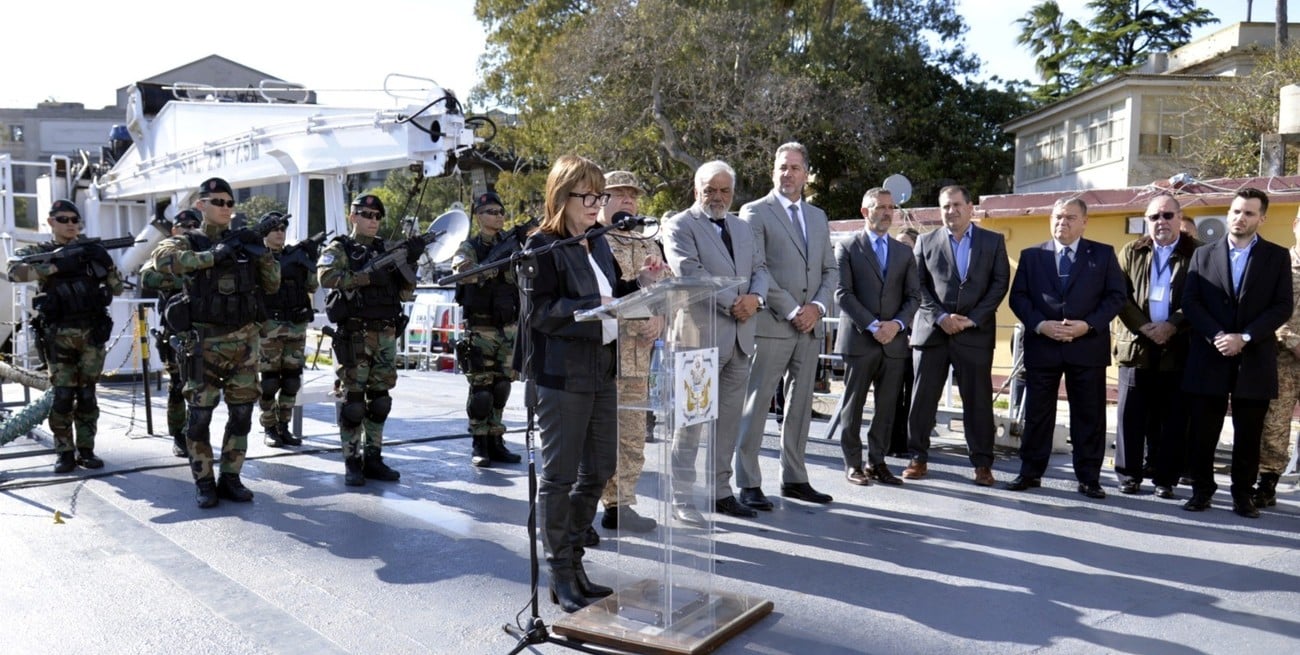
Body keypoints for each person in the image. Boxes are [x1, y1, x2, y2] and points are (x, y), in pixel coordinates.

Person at [524, 155, 663, 612]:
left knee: (601, 468)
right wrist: (593, 304)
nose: (596, 204)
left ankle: (576, 561)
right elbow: (539, 313)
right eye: (588, 196)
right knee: (559, 477)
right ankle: (559, 572)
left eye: (600, 196)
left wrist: (644, 284)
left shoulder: (597, 243)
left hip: (602, 370)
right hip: (562, 375)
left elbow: (616, 296)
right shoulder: (541, 246)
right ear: (561, 196)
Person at [152, 178, 280, 507]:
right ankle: (204, 481)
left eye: (229, 203)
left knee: (241, 415)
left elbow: (272, 284)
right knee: (200, 418)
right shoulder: (188, 242)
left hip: (244, 346)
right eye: (218, 202)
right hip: (202, 345)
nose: (225, 208)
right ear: (202, 205)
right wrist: (213, 255)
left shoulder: (245, 242)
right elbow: (163, 263)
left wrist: (262, 252)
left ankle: (231, 478)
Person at [661, 160, 768, 522]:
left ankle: (721, 492)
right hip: (699, 338)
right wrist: (734, 303)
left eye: (725, 190)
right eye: (710, 190)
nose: (718, 197)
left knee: (727, 424)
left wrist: (756, 300)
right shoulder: (679, 225)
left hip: (740, 339)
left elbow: (760, 270)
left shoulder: (742, 227)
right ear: (697, 191)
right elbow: (689, 272)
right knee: (690, 423)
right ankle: (682, 497)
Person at [735, 142, 838, 508]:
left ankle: (794, 477)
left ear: (806, 173)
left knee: (800, 405)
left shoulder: (818, 216)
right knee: (757, 403)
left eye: (794, 168)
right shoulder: (755, 212)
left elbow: (830, 269)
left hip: (810, 327)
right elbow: (756, 268)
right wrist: (794, 309)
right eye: (781, 167)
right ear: (773, 171)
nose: (787, 174)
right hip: (772, 323)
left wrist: (818, 307)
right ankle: (747, 480)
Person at [1182, 187, 1293, 518]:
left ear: (1262, 218)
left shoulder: (1275, 257)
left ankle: (1243, 494)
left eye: (1247, 213)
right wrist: (1218, 335)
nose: (1239, 218)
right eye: (1235, 211)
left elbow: (1282, 306)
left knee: (1249, 432)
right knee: (1203, 429)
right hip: (1210, 353)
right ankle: (1202, 490)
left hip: (1254, 356)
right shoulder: (1203, 254)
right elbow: (1191, 301)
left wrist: (1244, 337)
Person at [1007, 196, 1126, 499]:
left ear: (1084, 222)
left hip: (1086, 346)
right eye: (1058, 216)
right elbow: (1018, 298)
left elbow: (1115, 297)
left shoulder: (1102, 254)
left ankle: (1089, 478)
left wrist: (1088, 325)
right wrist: (1040, 325)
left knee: (1089, 415)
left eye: (1070, 217)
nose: (1063, 222)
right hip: (1043, 346)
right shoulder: (1032, 256)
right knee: (1037, 414)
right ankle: (1030, 473)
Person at [7, 199, 124, 473]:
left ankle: (86, 450)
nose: (71, 224)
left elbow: (117, 289)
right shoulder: (39, 251)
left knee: (87, 395)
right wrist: (58, 266)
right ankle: (64, 452)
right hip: (57, 334)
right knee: (62, 396)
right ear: (51, 222)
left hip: (91, 334)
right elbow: (14, 272)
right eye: (64, 219)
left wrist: (105, 264)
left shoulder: (91, 252)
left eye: (75, 219)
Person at [905, 185, 1010, 486]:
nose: (951, 211)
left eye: (956, 205)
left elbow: (1000, 283)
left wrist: (972, 320)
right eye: (945, 206)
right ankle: (917, 458)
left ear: (970, 207)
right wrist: (940, 317)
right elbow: (917, 285)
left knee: (977, 402)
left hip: (974, 334)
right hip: (933, 333)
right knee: (922, 400)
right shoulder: (925, 242)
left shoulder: (993, 242)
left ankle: (982, 465)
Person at [318, 194, 416, 487]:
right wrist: (367, 277)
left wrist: (410, 260)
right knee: (353, 402)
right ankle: (352, 460)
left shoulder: (389, 249)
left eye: (377, 216)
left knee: (381, 400)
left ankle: (373, 457)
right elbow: (326, 277)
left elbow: (405, 293)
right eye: (366, 214)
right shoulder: (339, 248)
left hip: (386, 332)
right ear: (353, 217)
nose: (373, 220)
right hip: (356, 335)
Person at [1111, 194, 1197, 499]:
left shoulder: (1198, 253)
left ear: (1179, 217)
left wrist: (1172, 324)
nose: (1161, 222)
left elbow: (1199, 298)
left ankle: (1165, 479)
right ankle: (1128, 475)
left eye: (1167, 216)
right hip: (1136, 345)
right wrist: (1144, 326)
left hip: (1179, 347)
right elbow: (1118, 294)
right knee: (1130, 415)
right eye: (1154, 217)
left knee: (1174, 417)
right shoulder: (1131, 251)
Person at [835, 188, 920, 487]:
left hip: (894, 343)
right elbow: (842, 293)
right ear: (864, 211)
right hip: (860, 340)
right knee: (853, 405)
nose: (886, 212)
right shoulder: (847, 246)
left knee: (886, 407)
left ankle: (878, 461)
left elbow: (913, 296)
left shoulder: (904, 251)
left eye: (890, 207)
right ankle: (853, 464)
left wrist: (896, 325)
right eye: (880, 207)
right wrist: (873, 326)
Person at [596, 170, 664, 532]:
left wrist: (662, 318)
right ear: (601, 200)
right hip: (605, 354)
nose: (628, 201)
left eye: (632, 195)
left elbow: (666, 286)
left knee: (634, 433)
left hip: (640, 356)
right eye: (619, 194)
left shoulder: (649, 242)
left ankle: (620, 504)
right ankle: (585, 507)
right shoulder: (594, 242)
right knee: (600, 435)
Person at [451, 191, 522, 468]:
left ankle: (496, 439)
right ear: (479, 217)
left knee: (502, 386)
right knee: (481, 390)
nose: (498, 216)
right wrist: (494, 265)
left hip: (508, 328)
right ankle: (479, 442)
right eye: (492, 212)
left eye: (501, 211)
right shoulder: (469, 247)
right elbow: (463, 271)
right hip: (480, 328)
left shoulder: (513, 245)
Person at [139, 208, 202, 458]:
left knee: (200, 389)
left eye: (194, 225)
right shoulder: (163, 254)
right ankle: (178, 434)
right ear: (175, 230)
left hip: (201, 332)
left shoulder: (205, 253)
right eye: (184, 226)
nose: (189, 229)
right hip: (174, 334)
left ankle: (195, 433)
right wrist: (188, 276)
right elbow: (148, 278)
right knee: (178, 386)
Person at [258, 212, 319, 448]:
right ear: (265, 232)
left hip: (295, 325)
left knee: (291, 381)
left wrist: (312, 261)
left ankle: (283, 426)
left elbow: (312, 286)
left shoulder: (296, 257)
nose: (280, 232)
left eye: (283, 227)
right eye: (275, 228)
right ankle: (269, 427)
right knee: (269, 382)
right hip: (270, 327)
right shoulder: (259, 259)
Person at [1256, 206, 1300, 510]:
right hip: (1282, 358)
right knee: (1275, 424)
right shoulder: (1279, 262)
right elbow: (1268, 308)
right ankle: (1267, 483)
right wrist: (1293, 340)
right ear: (1296, 224)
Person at [888, 227, 921, 457]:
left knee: (913, 394)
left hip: (916, 341)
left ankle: (909, 441)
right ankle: (891, 441)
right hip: (894, 339)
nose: (900, 248)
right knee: (892, 394)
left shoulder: (922, 273)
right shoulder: (891, 271)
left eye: (905, 244)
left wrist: (914, 332)